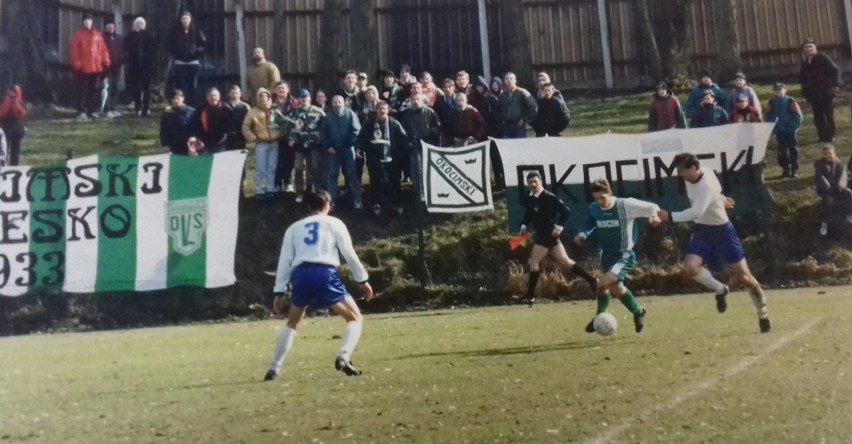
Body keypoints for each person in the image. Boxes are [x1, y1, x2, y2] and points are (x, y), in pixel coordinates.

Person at [264, 190, 375, 380]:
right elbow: (349, 254)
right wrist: (362, 280)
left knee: (292, 322)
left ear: (308, 207)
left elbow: (285, 261)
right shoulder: (335, 223)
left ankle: (274, 369)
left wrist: (279, 292)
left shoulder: (294, 228)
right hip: (325, 273)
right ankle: (344, 357)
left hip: (301, 275)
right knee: (355, 318)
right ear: (328, 205)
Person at [656, 153, 771, 333]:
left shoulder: (706, 183)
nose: (680, 175)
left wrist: (670, 216)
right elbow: (715, 193)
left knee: (743, 277)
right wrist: (721, 199)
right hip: (702, 230)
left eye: (682, 171)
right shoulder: (697, 177)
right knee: (690, 267)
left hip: (722, 231)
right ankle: (721, 289)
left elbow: (697, 211)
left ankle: (763, 314)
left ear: (694, 168)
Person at [574, 179, 659, 333]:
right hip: (606, 255)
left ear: (610, 193)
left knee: (601, 285)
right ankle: (638, 311)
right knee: (616, 289)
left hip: (624, 255)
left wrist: (653, 216)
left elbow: (652, 207)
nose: (599, 201)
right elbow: (589, 223)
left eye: (602, 197)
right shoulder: (594, 208)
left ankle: (599, 317)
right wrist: (582, 234)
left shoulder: (625, 205)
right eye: (596, 198)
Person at [517, 171, 597, 305]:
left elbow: (565, 211)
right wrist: (524, 224)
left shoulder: (549, 197)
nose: (533, 184)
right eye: (530, 182)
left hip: (547, 234)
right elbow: (529, 213)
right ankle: (593, 281)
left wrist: (559, 227)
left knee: (533, 261)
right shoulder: (528, 196)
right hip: (545, 234)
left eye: (535, 181)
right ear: (528, 183)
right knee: (566, 261)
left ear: (541, 181)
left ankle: (530, 296)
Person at [356, 101, 407, 217]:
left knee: (395, 182)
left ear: (388, 110)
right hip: (374, 158)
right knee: (375, 181)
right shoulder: (369, 124)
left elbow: (403, 139)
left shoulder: (394, 124)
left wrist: (404, 150)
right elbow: (361, 138)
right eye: (379, 109)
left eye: (384, 109)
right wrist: (359, 149)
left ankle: (397, 205)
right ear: (376, 111)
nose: (382, 111)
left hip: (392, 159)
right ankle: (376, 204)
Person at [242, 88, 288, 199]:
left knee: (272, 167)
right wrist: (253, 138)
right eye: (261, 96)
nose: (264, 99)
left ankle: (270, 188)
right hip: (261, 143)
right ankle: (258, 190)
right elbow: (246, 127)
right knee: (260, 167)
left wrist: (280, 134)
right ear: (258, 98)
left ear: (269, 97)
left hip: (274, 142)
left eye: (266, 96)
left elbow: (284, 122)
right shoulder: (253, 112)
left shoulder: (275, 110)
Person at [323, 95, 363, 209]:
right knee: (332, 175)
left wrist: (348, 143)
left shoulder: (350, 114)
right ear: (332, 104)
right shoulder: (328, 117)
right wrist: (328, 146)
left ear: (344, 103)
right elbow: (324, 134)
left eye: (339, 102)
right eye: (335, 102)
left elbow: (356, 130)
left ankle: (357, 199)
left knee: (351, 174)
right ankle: (332, 200)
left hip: (347, 149)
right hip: (333, 151)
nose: (337, 104)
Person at [69, 14, 111, 121]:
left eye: (89, 21)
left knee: (93, 90)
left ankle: (91, 110)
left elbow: (103, 49)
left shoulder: (97, 35)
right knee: (82, 90)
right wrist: (77, 65)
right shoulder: (78, 36)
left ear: (92, 22)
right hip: (83, 68)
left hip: (95, 68)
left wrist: (106, 61)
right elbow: (74, 52)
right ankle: (81, 111)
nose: (88, 23)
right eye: (86, 21)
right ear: (83, 22)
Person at [800, 38, 841, 143]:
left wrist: (835, 85)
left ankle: (831, 135)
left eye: (810, 46)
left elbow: (835, 70)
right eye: (806, 47)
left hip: (825, 92)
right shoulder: (805, 63)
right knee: (818, 116)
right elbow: (803, 79)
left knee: (828, 115)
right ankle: (822, 135)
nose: (809, 49)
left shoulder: (823, 58)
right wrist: (805, 92)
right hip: (813, 95)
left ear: (815, 48)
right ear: (803, 50)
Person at [289, 88, 326, 202]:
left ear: (310, 98)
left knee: (314, 167)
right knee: (299, 168)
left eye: (305, 97)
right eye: (301, 97)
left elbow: (325, 127)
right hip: (300, 145)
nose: (303, 99)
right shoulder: (295, 112)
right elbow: (292, 128)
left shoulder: (318, 111)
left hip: (314, 144)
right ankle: (299, 192)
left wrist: (321, 139)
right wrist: (292, 138)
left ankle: (316, 190)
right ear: (298, 99)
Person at [166, 11, 206, 106]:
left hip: (193, 63)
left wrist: (197, 52)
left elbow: (203, 43)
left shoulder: (196, 31)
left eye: (187, 18)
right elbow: (168, 44)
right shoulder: (175, 32)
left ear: (190, 20)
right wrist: (176, 51)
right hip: (180, 63)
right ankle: (180, 104)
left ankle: (192, 105)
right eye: (183, 18)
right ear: (180, 20)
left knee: (193, 85)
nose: (185, 20)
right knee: (179, 85)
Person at [764, 82, 803, 179]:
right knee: (782, 152)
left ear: (785, 90)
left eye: (780, 90)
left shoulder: (790, 101)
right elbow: (767, 115)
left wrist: (793, 128)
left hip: (790, 131)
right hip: (779, 131)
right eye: (776, 91)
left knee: (793, 150)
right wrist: (773, 128)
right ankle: (785, 169)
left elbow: (798, 116)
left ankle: (794, 169)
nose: (778, 92)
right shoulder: (772, 102)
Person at [814, 144, 852, 236]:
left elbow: (843, 176)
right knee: (828, 202)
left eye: (830, 153)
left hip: (837, 188)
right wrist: (827, 188)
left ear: (834, 154)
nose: (828, 156)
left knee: (849, 193)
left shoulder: (839, 164)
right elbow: (820, 178)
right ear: (823, 155)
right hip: (826, 190)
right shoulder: (820, 166)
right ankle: (825, 223)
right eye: (826, 154)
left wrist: (841, 186)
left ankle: (848, 214)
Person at [125, 16, 157, 117]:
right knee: (136, 88)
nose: (139, 25)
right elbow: (126, 50)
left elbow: (153, 51)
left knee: (146, 88)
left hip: (146, 67)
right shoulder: (130, 36)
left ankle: (146, 107)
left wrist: (149, 62)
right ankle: (138, 107)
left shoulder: (149, 36)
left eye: (141, 23)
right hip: (134, 67)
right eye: (137, 23)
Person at [499, 72, 537, 138]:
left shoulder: (522, 92)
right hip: (507, 126)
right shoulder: (502, 95)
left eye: (511, 78)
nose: (509, 80)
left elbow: (533, 107)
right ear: (504, 81)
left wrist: (525, 119)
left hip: (518, 126)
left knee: (520, 145)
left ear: (515, 80)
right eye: (507, 79)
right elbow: (498, 109)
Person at [159, 90, 195, 155]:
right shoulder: (167, 114)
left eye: (178, 98)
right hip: (173, 147)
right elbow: (163, 131)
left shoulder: (191, 112)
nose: (175, 100)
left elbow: (195, 129)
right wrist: (165, 145)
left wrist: (194, 144)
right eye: (174, 99)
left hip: (188, 145)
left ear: (183, 98)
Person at [100, 20, 124, 118]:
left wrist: (122, 60)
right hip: (106, 68)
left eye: (112, 25)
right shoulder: (102, 38)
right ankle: (106, 109)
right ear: (105, 27)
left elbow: (124, 50)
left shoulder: (119, 38)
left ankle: (113, 107)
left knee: (115, 87)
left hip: (117, 67)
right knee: (106, 89)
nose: (110, 27)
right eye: (108, 25)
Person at [194, 87, 228, 154]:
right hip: (204, 143)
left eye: (215, 95)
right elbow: (196, 124)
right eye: (211, 95)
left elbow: (230, 124)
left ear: (219, 97)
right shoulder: (201, 110)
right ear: (207, 97)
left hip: (221, 142)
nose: (213, 97)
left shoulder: (226, 109)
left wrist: (226, 135)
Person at [0, 85, 27, 166]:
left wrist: (14, 102)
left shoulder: (21, 102)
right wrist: (7, 101)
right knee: (3, 151)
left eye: (14, 92)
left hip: (17, 130)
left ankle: (14, 167)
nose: (11, 94)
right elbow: (1, 113)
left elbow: (20, 114)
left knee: (15, 152)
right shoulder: (2, 100)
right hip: (4, 131)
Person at [224, 85, 250, 151]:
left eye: (236, 93)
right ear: (229, 94)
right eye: (232, 93)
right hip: (229, 137)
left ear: (240, 94)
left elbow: (249, 121)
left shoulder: (245, 107)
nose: (234, 95)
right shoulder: (224, 106)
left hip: (241, 136)